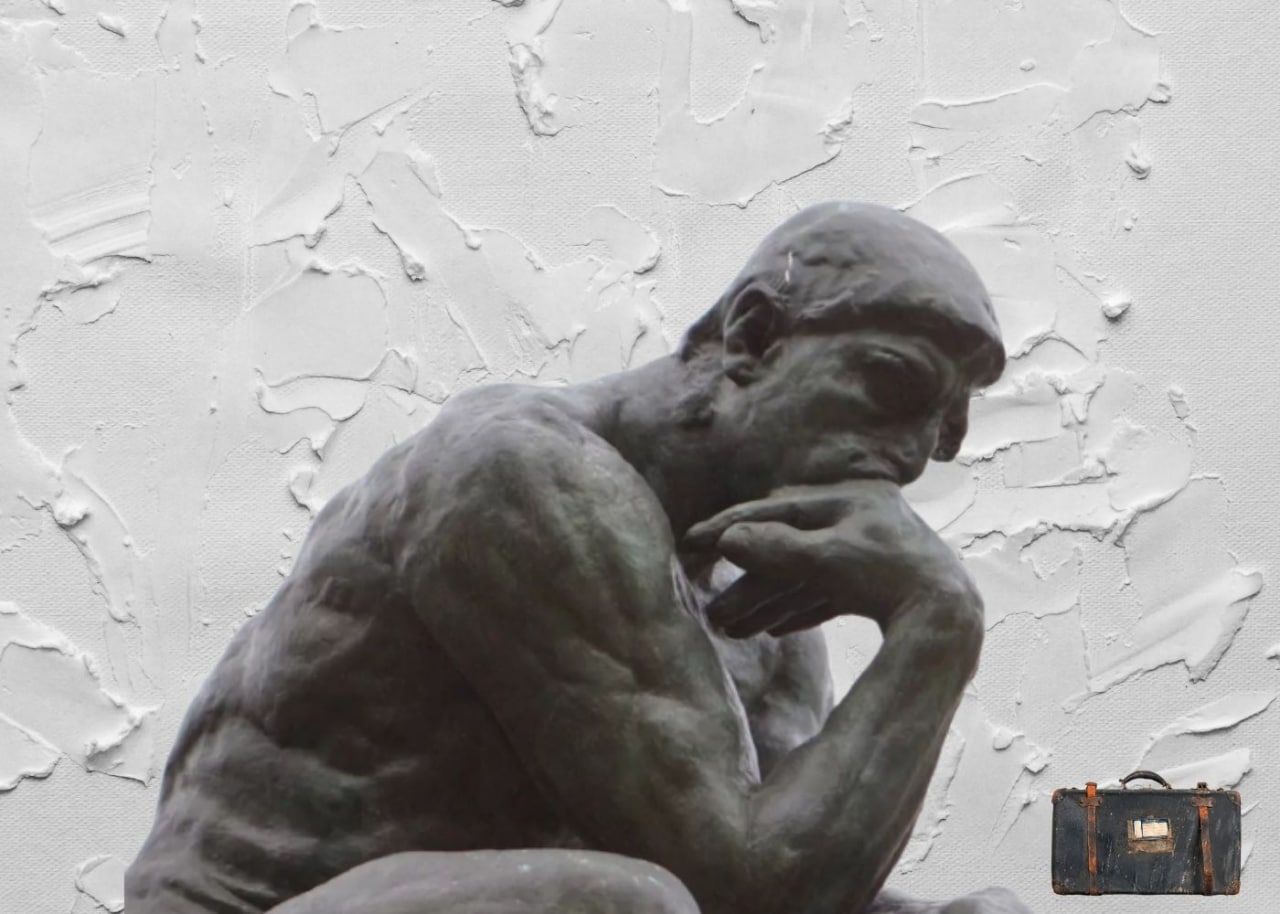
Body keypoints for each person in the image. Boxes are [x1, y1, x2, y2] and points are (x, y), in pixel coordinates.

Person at [126, 202, 1032, 914]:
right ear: (754, 338)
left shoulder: (771, 619)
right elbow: (745, 887)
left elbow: (799, 882)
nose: (911, 459)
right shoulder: (517, 471)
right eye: (892, 386)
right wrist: (938, 623)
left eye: (943, 433)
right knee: (626, 908)